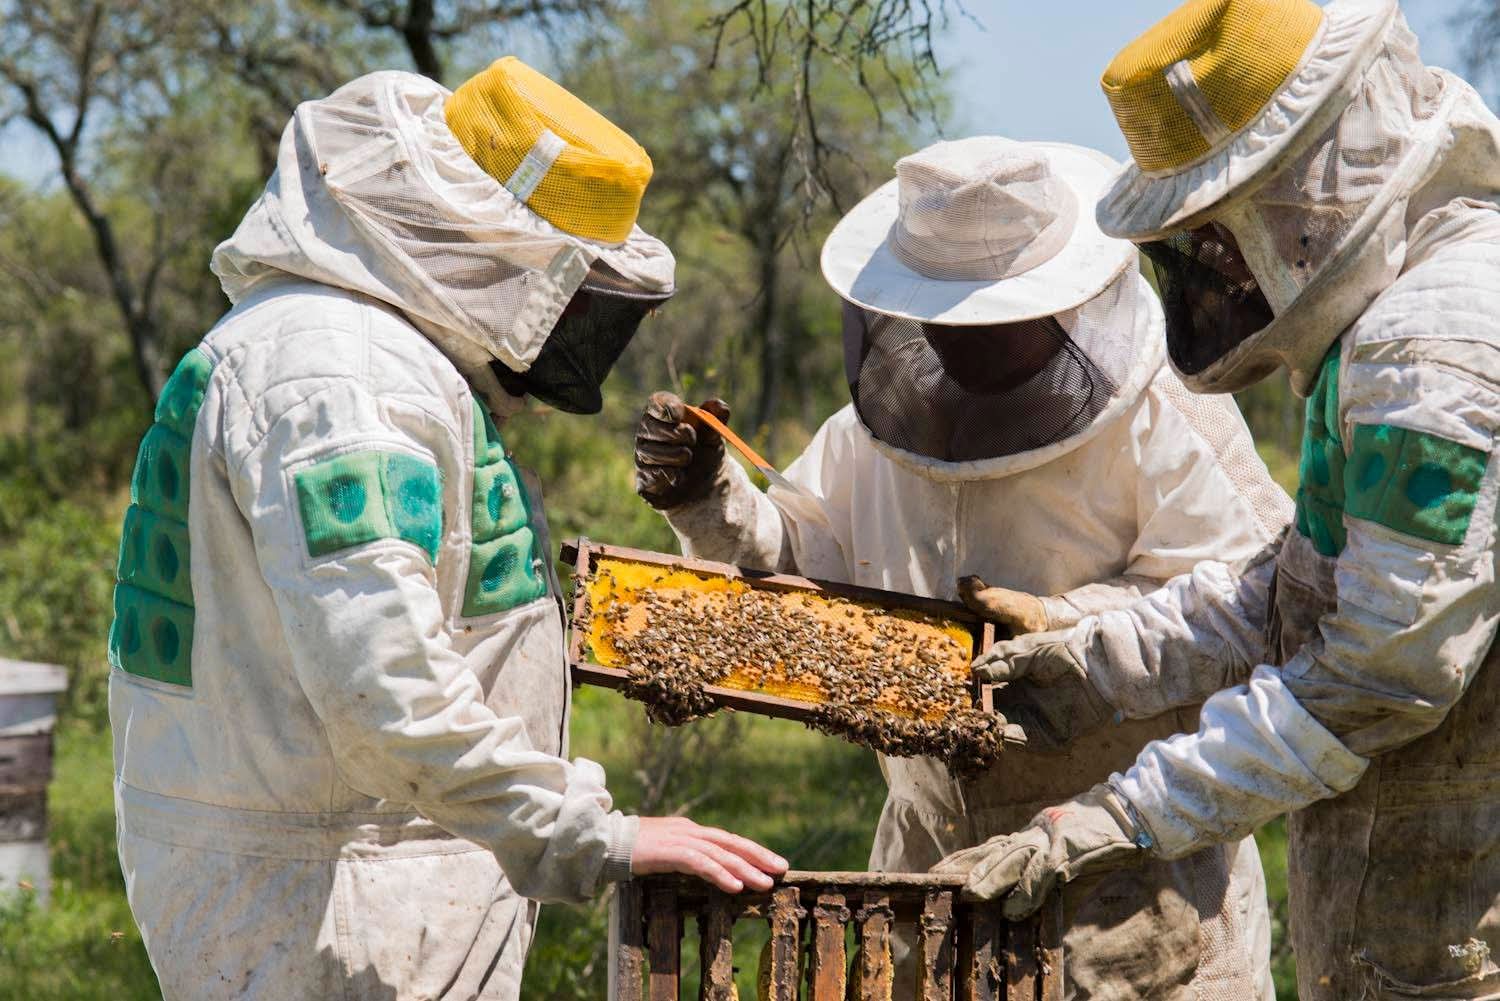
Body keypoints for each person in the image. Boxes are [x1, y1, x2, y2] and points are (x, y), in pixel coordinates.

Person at [107, 59, 785, 1001]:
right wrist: (592, 833)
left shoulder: (350, 350)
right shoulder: (346, 381)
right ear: (509, 258)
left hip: (349, 872)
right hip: (336, 904)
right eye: (577, 293)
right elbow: (385, 690)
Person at [635, 135, 1291, 998]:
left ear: (1063, 302)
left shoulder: (1165, 420)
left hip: (1130, 869)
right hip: (930, 872)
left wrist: (1062, 626)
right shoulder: (876, 427)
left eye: (992, 317)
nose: (962, 340)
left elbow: (1259, 606)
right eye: (946, 315)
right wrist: (709, 498)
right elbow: (798, 559)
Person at [935, 1, 1500, 997]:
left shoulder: (1431, 352)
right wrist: (1091, 659)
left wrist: (1119, 814)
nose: (1216, 271)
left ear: (1310, 180)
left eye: (1217, 234)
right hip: (1409, 907)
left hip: (1460, 930)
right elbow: (1293, 588)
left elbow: (1378, 672)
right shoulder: (1385, 324)